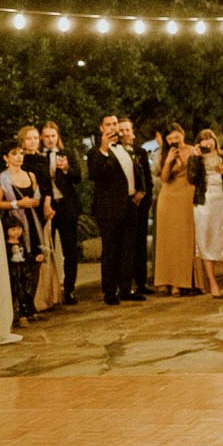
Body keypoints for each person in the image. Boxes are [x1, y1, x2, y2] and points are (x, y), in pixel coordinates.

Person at [87, 115, 140, 305]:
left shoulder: (126, 148)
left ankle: (126, 288)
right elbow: (94, 173)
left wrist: (139, 190)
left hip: (129, 205)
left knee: (128, 249)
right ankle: (109, 291)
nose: (112, 127)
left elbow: (134, 171)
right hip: (109, 209)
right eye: (108, 124)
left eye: (115, 124)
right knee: (110, 250)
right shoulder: (95, 152)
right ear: (102, 128)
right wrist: (103, 148)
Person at [17, 125, 63, 312]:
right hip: (25, 207)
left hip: (43, 206)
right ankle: (29, 299)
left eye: (36, 138)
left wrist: (47, 204)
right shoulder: (19, 159)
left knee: (45, 248)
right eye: (29, 138)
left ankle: (46, 295)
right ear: (22, 141)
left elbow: (47, 186)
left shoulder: (42, 159)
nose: (33, 141)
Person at [150, 123, 198, 296]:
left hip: (187, 194)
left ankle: (184, 281)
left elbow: (195, 173)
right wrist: (169, 160)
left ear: (182, 134)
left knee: (185, 239)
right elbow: (164, 178)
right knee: (168, 240)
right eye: (170, 139)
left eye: (176, 137)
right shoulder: (164, 154)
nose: (174, 141)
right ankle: (168, 281)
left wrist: (184, 160)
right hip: (169, 197)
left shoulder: (193, 150)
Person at [189, 129, 223, 298]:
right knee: (205, 239)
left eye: (210, 139)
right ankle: (213, 282)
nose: (207, 142)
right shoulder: (196, 158)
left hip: (222, 200)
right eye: (203, 140)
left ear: (215, 140)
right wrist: (194, 158)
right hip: (204, 202)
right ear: (198, 143)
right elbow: (191, 180)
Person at [41, 121, 83, 302]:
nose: (50, 139)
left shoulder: (67, 153)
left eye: (53, 136)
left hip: (66, 206)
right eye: (47, 136)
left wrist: (66, 169)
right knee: (46, 248)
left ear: (58, 136)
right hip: (46, 206)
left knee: (70, 249)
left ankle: (69, 289)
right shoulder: (37, 156)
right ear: (42, 138)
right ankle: (48, 291)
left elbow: (78, 177)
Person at [117, 118, 153, 296]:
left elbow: (147, 179)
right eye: (120, 130)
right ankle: (124, 283)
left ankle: (141, 281)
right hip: (123, 205)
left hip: (140, 204)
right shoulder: (114, 152)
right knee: (125, 246)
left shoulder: (140, 152)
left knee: (140, 244)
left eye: (127, 129)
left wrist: (144, 195)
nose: (124, 133)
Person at [2, 219, 40, 325]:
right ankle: (21, 315)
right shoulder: (6, 245)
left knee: (27, 292)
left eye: (19, 229)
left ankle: (29, 312)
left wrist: (34, 258)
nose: (17, 232)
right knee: (17, 293)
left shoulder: (21, 243)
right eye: (13, 229)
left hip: (23, 271)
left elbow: (26, 257)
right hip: (13, 273)